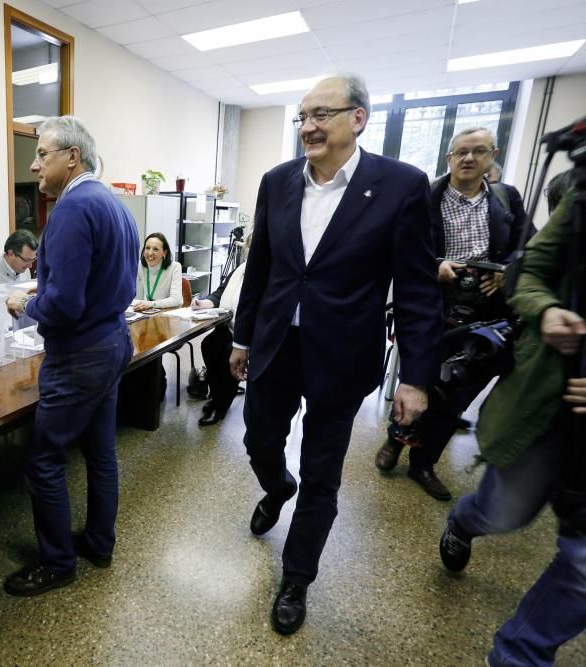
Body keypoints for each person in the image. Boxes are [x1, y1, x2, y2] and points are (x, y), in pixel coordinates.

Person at [227, 74, 442, 635]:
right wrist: (242, 337)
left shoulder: (400, 185)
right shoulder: (277, 183)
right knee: (258, 439)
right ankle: (277, 486)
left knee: (323, 472)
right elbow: (263, 270)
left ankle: (297, 577)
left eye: (322, 114)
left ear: (359, 118)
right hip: (277, 346)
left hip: (343, 357)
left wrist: (415, 379)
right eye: (302, 116)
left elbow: (419, 290)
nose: (309, 127)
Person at [438, 174, 585, 666]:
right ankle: (465, 519)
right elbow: (527, 274)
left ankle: (517, 656)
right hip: (550, 398)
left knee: (583, 563)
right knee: (506, 513)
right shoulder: (580, 201)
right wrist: (546, 312)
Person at [3, 116, 137, 596]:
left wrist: (26, 303)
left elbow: (63, 306)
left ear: (72, 157)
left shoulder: (70, 209)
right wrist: (52, 288)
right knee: (101, 452)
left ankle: (57, 563)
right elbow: (104, 280)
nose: (35, 165)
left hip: (80, 354)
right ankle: (99, 542)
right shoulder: (113, 204)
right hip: (113, 340)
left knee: (43, 458)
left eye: (42, 154)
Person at [374, 127, 530, 500]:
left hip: (486, 316)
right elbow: (398, 247)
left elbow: (528, 245)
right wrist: (437, 265)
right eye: (460, 152)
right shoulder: (423, 198)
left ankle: (423, 463)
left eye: (478, 151)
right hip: (434, 307)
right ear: (448, 158)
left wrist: (508, 271)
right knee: (418, 381)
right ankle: (397, 438)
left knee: (456, 393)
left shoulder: (506, 200)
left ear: (493, 155)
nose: (469, 158)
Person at [191, 234, 251, 426]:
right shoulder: (239, 270)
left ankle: (221, 406)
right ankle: (217, 396)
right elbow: (220, 293)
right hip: (229, 326)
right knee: (209, 345)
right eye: (249, 246)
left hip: (251, 334)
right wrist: (204, 303)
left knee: (228, 354)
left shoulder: (269, 273)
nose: (251, 250)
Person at [131, 232, 182, 310]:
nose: (150, 253)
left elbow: (176, 299)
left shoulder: (175, 267)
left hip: (170, 312)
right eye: (147, 248)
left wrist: (152, 304)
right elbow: (126, 286)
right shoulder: (140, 265)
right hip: (150, 312)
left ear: (164, 253)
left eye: (155, 249)